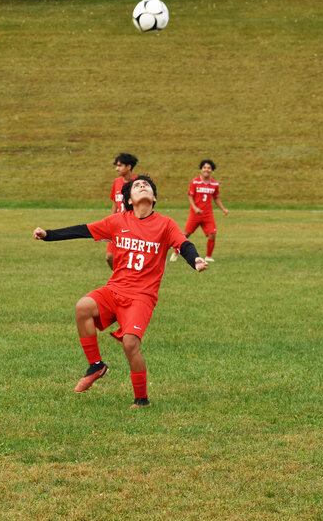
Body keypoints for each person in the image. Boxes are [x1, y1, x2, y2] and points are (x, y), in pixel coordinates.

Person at [33, 175, 207, 408]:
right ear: (128, 199)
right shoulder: (118, 221)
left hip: (141, 297)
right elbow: (84, 230)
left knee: (130, 344)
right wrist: (49, 235)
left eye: (147, 186)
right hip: (115, 290)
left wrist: (194, 259)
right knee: (83, 306)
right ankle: (96, 365)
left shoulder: (165, 224)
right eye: (137, 186)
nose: (142, 186)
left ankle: (141, 400)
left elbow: (183, 244)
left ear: (154, 197)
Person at [170, 159, 229, 263]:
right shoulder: (195, 181)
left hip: (207, 214)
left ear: (212, 170)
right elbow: (190, 196)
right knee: (186, 234)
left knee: (212, 234)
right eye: (205, 167)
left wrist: (223, 208)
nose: (207, 170)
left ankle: (208, 256)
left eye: (209, 168)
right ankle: (175, 252)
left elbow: (216, 198)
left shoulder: (215, 184)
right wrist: (195, 208)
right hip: (195, 214)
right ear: (201, 169)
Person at [106, 153, 138, 269]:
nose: (116, 168)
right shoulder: (117, 182)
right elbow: (115, 202)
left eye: (120, 166)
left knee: (131, 258)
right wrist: (110, 221)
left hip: (133, 226)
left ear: (128, 167)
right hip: (118, 225)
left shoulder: (138, 183)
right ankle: (119, 278)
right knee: (109, 257)